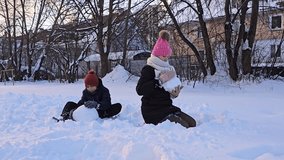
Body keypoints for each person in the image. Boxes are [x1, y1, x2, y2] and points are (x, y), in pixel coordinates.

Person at [136, 30, 196, 128]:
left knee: (192, 123)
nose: (165, 58)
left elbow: (166, 92)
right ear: (156, 55)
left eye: (167, 56)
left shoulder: (168, 69)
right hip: (152, 110)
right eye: (163, 56)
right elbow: (140, 90)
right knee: (185, 126)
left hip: (166, 107)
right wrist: (158, 81)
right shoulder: (148, 69)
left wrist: (173, 94)